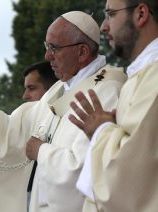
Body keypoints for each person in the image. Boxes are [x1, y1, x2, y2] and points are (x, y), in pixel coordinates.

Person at [0, 11, 126, 212]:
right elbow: (11, 131)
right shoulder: (58, 90)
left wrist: (41, 151)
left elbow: (89, 169)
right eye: (47, 46)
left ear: (82, 52)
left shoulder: (106, 92)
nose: (47, 55)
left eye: (54, 48)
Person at [68, 1, 158, 211]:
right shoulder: (140, 75)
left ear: (141, 14)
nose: (103, 27)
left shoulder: (154, 77)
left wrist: (100, 129)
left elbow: (132, 175)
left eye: (110, 15)